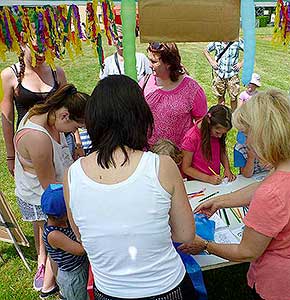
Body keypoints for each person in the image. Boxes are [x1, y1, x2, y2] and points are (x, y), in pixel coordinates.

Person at [179, 89, 290, 300]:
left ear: (265, 134)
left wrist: (205, 245)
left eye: (247, 133)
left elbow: (247, 252)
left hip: (285, 285)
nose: (245, 140)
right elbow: (267, 185)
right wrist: (221, 201)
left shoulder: (273, 194)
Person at [65, 75, 197, 300]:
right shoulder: (161, 165)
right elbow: (185, 234)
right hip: (166, 287)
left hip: (109, 290)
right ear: (140, 117)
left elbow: (83, 237)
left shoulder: (73, 174)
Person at [13, 84, 87, 298]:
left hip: (58, 189)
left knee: (54, 244)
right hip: (45, 198)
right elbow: (50, 188)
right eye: (75, 127)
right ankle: (52, 282)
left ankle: (48, 282)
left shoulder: (52, 117)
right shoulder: (38, 138)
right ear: (64, 115)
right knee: (57, 245)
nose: (74, 133)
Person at [1, 42, 67, 176]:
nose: (42, 55)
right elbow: (7, 119)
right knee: (34, 190)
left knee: (63, 186)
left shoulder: (57, 72)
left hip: (60, 140)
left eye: (45, 48)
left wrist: (77, 142)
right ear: (22, 44)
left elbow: (68, 108)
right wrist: (11, 156)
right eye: (37, 50)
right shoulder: (9, 76)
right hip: (28, 146)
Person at [140, 42, 207, 148]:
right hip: (150, 156)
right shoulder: (144, 83)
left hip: (179, 157)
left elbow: (202, 123)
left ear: (168, 63)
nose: (149, 65)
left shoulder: (191, 88)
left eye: (154, 61)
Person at [41, 184, 89, 300]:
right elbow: (80, 250)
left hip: (80, 267)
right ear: (62, 216)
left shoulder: (62, 222)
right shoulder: (54, 235)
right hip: (73, 276)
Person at [181, 105, 236, 185]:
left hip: (214, 182)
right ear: (209, 122)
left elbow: (222, 150)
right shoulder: (191, 138)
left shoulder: (215, 133)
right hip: (197, 184)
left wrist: (227, 169)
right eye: (217, 133)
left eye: (223, 134)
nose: (220, 136)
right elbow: (186, 168)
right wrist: (208, 178)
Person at [204, 40, 244, 111]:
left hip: (232, 75)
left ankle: (233, 116)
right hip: (219, 74)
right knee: (220, 96)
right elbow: (205, 50)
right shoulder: (216, 41)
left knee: (233, 97)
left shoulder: (237, 41)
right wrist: (212, 62)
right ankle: (222, 115)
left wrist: (241, 64)